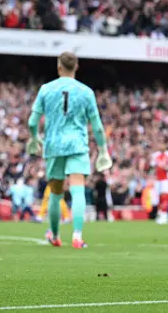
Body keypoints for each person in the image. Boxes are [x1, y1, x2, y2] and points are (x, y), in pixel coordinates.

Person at [27, 52, 112, 249]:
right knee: (78, 190)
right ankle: (77, 236)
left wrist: (34, 138)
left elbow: (32, 122)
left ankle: (55, 235)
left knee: (56, 193)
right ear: (76, 67)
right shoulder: (86, 92)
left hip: (54, 145)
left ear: (59, 67)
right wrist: (103, 150)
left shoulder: (46, 89)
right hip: (77, 145)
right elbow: (97, 126)